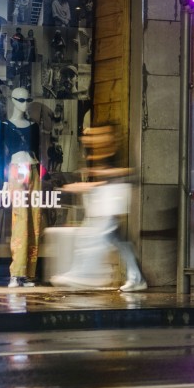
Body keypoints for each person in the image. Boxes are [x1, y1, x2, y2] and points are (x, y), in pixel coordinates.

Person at [49, 124, 146, 292]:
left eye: (95, 135)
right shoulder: (98, 153)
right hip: (106, 196)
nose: (90, 139)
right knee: (118, 239)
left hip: (112, 196)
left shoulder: (114, 152)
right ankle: (136, 277)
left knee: (96, 235)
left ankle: (88, 273)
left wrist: (93, 183)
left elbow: (128, 173)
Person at [1, 87, 41, 287]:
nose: (25, 104)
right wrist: (3, 182)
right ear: (13, 100)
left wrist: (42, 176)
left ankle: (28, 273)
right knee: (20, 220)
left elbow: (38, 152)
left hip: (33, 170)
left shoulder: (34, 126)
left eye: (27, 100)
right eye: (21, 100)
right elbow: (1, 155)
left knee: (34, 221)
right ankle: (16, 273)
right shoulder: (4, 126)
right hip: (16, 171)